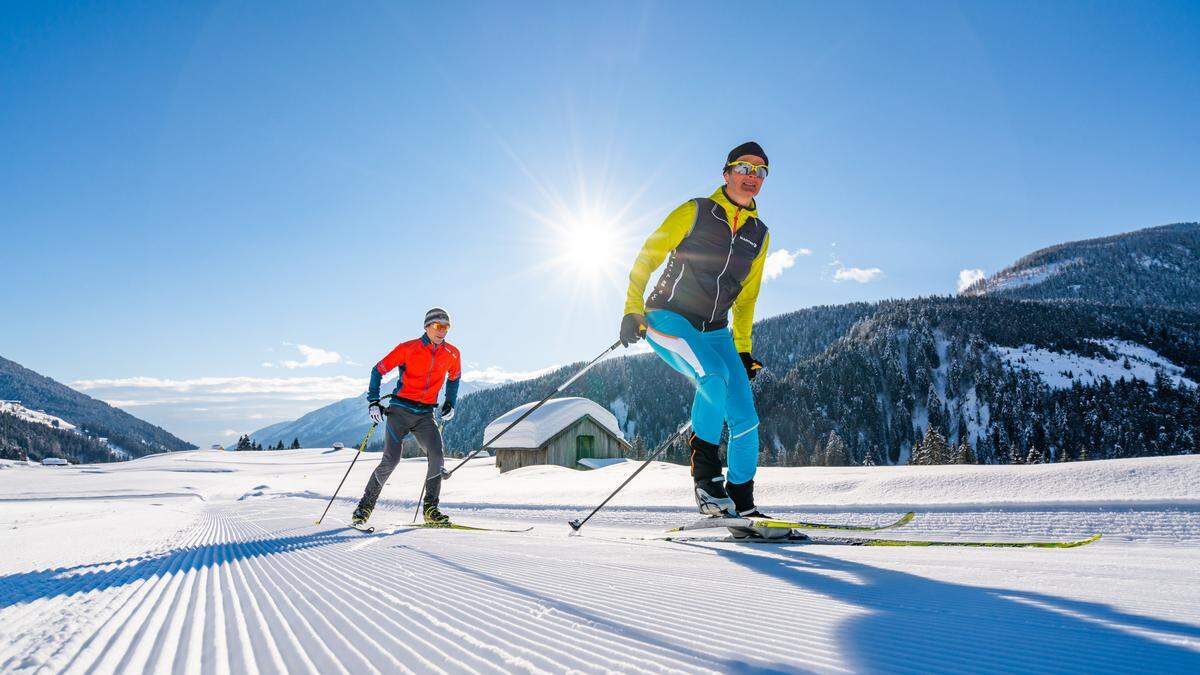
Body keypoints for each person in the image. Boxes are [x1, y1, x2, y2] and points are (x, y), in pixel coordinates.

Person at [620, 141, 781, 537]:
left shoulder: (759, 235)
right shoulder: (695, 211)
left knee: (745, 414)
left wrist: (743, 349)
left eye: (760, 171)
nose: (752, 176)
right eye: (744, 167)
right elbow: (648, 255)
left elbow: (747, 297)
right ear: (726, 173)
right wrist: (632, 308)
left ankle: (741, 501)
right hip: (668, 317)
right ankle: (708, 485)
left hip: (717, 331)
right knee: (711, 378)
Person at [351, 308, 462, 527]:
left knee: (437, 455)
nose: (443, 331)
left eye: (446, 327)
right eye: (438, 326)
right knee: (391, 460)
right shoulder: (407, 348)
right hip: (400, 411)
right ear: (427, 327)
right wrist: (373, 401)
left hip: (425, 414)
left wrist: (450, 402)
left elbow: (455, 377)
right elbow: (378, 370)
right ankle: (364, 507)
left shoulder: (452, 353)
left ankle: (431, 509)